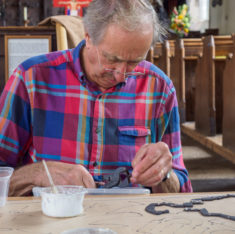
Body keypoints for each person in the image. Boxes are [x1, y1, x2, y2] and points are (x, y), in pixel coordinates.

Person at [0, 0, 192, 196]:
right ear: (88, 37)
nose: (120, 75)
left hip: (131, 221)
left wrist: (164, 173)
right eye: (112, 59)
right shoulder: (31, 79)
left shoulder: (159, 89)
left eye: (134, 62)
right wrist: (40, 174)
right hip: (48, 220)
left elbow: (181, 193)